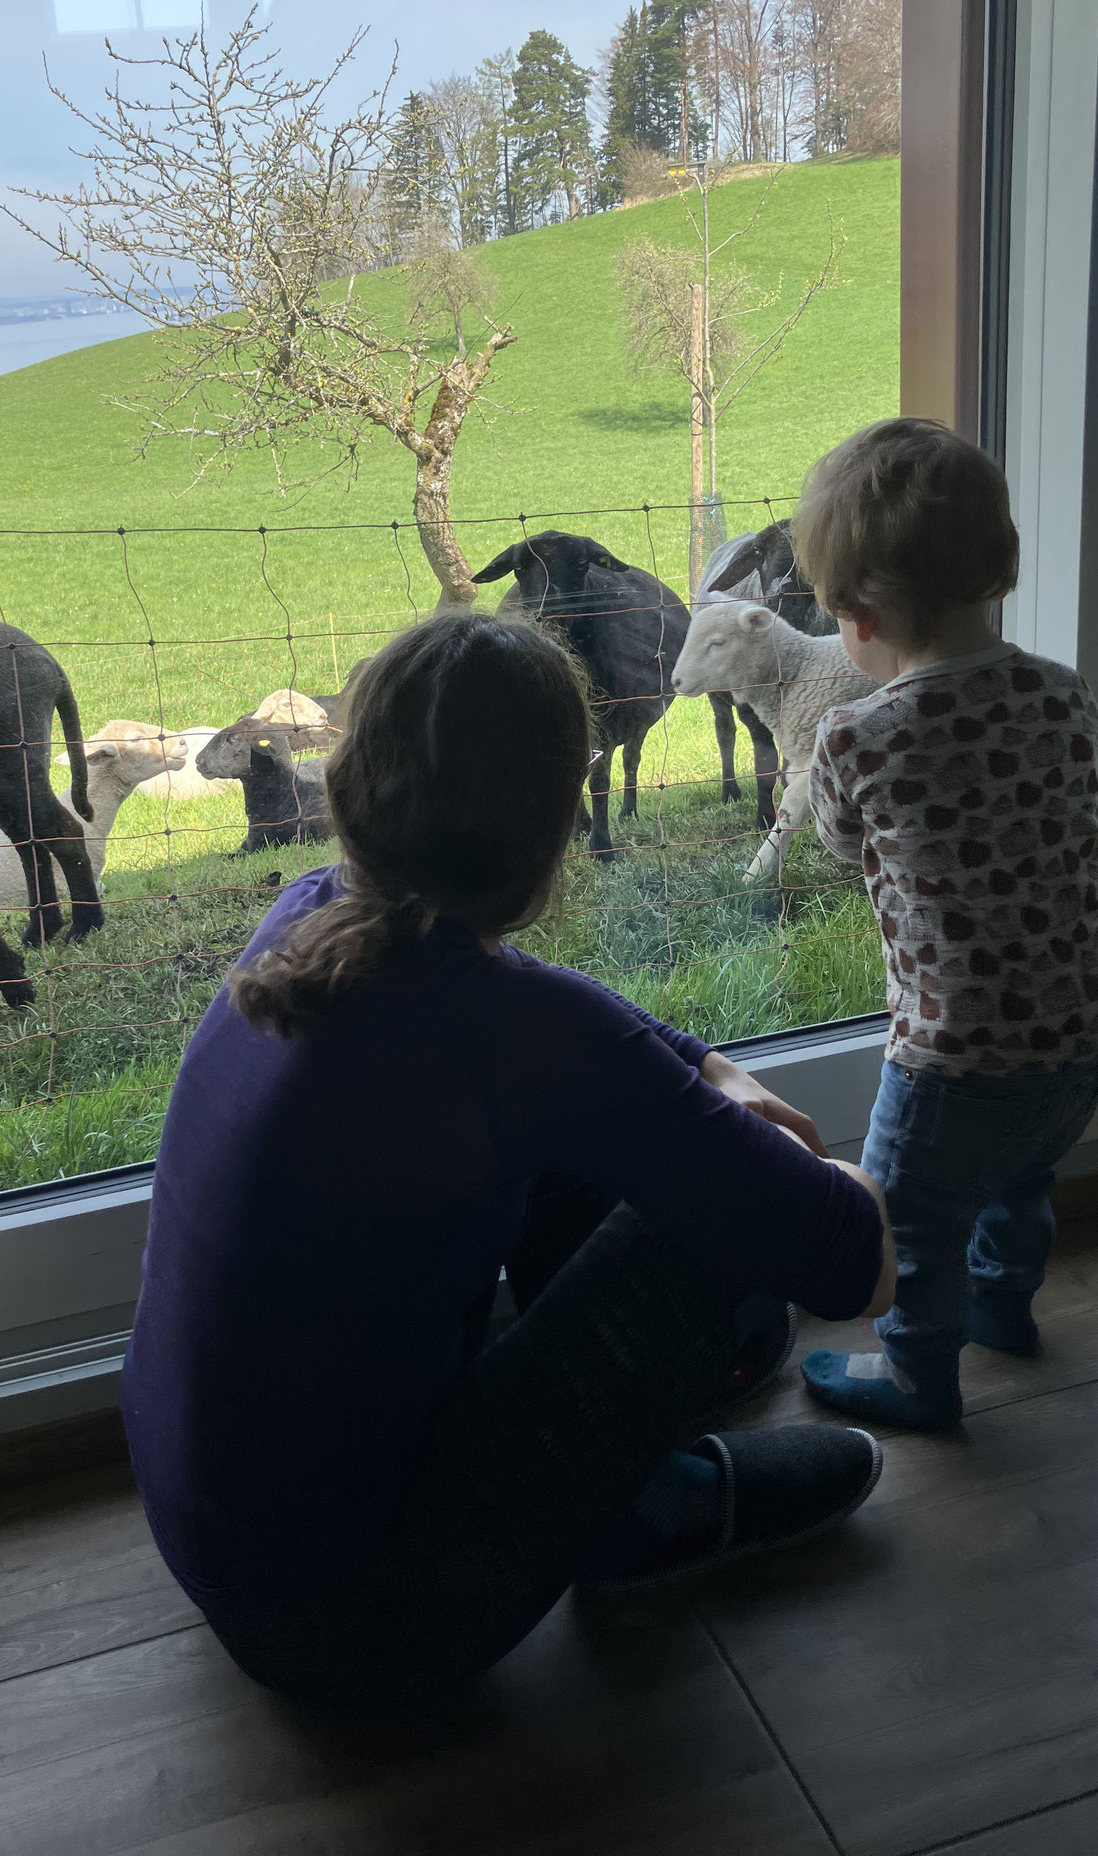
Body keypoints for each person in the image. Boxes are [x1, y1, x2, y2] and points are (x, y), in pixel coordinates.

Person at [122, 611, 896, 1710]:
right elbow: (859, 1268)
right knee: (697, 1227)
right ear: (556, 829)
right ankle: (637, 1514)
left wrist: (710, 1071)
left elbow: (554, 1024)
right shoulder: (514, 1041)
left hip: (221, 1537)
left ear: (352, 789)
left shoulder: (308, 914)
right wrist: (825, 1174)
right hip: (361, 1626)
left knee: (626, 1155)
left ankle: (668, 1404)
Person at [791, 418, 1098, 1432]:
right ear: (1001, 567)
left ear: (855, 617)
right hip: (1088, 1015)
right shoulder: (1063, 693)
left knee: (915, 1214)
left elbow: (840, 842)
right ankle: (1004, 1309)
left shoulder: (856, 732)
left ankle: (916, 1374)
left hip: (958, 1044)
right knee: (1023, 1174)